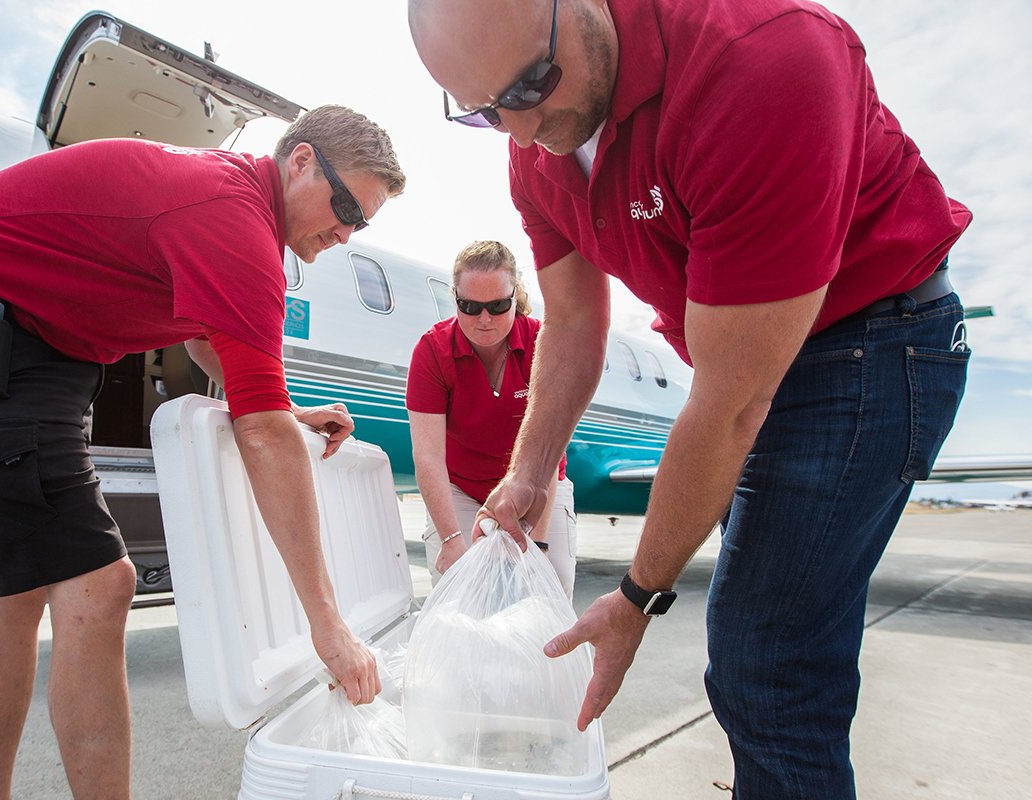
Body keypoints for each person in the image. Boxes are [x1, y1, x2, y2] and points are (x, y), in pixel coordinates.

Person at [409, 1, 971, 797]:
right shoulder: (535, 147)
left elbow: (735, 403)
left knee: (767, 661)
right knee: (764, 649)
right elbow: (570, 320)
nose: (524, 132)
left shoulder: (764, 60)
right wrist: (532, 469)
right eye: (484, 112)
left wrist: (637, 596)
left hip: (868, 337)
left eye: (531, 83)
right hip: (749, 361)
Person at [0, 104, 405, 800]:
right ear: (300, 160)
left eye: (361, 223)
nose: (345, 232)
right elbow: (261, 434)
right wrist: (327, 627)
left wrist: (284, 407)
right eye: (344, 207)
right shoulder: (235, 218)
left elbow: (206, 342)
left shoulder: (240, 208)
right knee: (100, 583)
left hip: (33, 342)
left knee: (14, 586)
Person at [405, 240, 576, 597]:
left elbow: (549, 450)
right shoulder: (432, 352)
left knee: (550, 585)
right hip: (463, 488)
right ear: (455, 298)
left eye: (498, 306)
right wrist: (451, 540)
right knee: (454, 593)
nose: (484, 320)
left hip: (535, 483)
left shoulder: (542, 344)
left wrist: (538, 546)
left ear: (515, 296)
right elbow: (429, 457)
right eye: (470, 306)